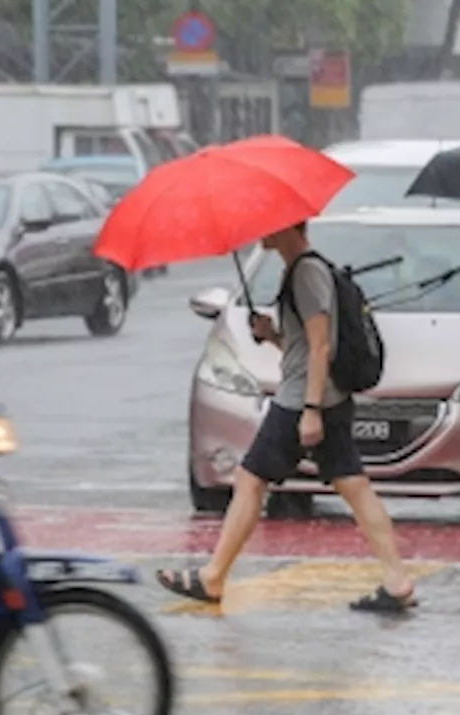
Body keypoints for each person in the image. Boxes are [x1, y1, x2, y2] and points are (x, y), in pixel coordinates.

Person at [156, 221, 415, 612]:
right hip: (325, 399)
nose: (261, 230)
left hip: (300, 403)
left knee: (250, 480)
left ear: (289, 227)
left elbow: (320, 346)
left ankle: (212, 577)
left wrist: (310, 411)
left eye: (270, 225)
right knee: (355, 488)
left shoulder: (306, 272)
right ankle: (397, 579)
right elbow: (303, 347)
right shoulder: (303, 270)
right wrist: (273, 334)